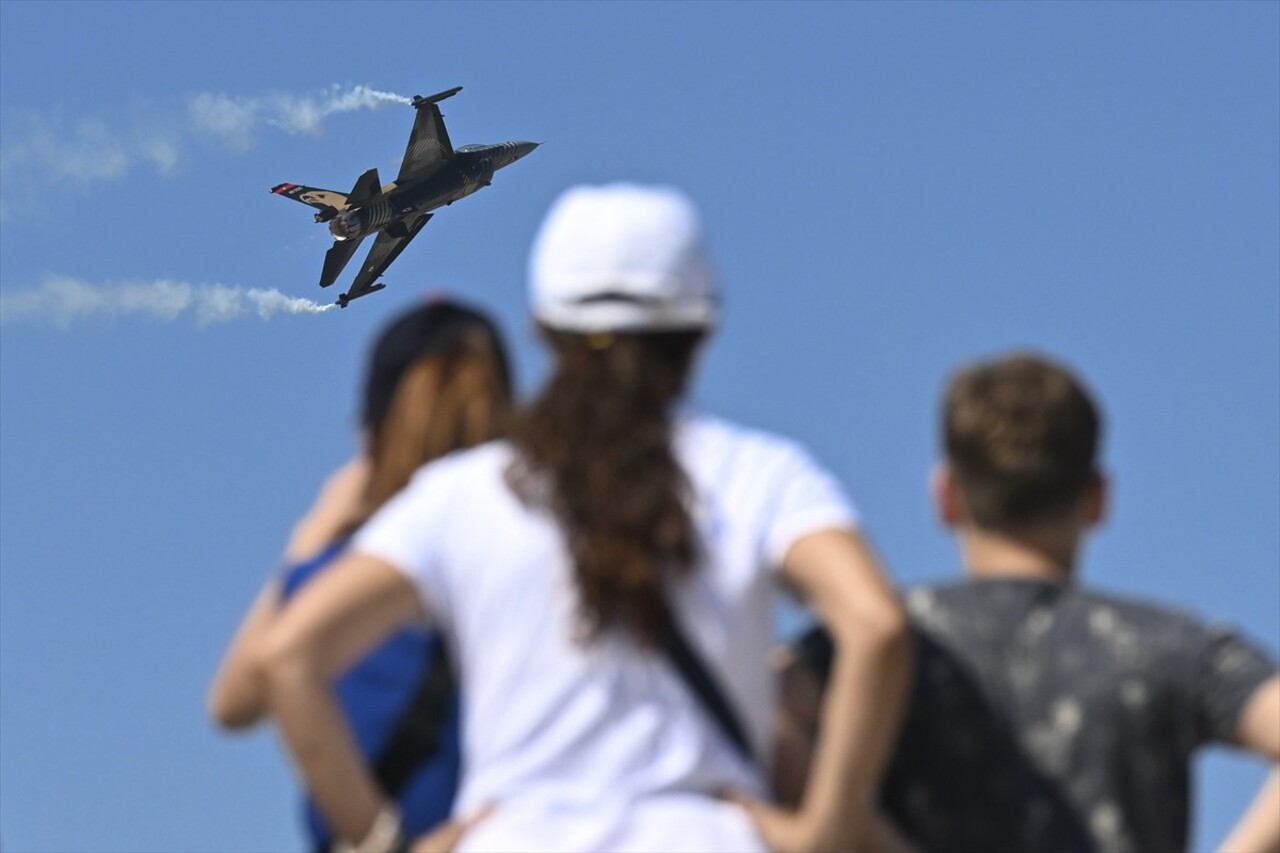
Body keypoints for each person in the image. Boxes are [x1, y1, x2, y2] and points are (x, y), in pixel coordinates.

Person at [256, 183, 912, 853]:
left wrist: (385, 841)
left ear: (541, 327)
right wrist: (823, 832)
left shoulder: (463, 493)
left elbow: (287, 655)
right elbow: (877, 624)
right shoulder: (761, 475)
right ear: (700, 329)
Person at [792, 352, 1280, 853]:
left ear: (946, 496)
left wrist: (853, 832)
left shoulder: (868, 646)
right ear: (1098, 498)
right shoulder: (1171, 649)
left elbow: (767, 727)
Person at [208, 298, 513, 852]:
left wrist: (307, 544)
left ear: (369, 438)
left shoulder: (330, 579)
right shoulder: (542, 553)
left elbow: (237, 697)